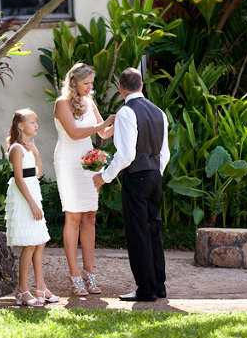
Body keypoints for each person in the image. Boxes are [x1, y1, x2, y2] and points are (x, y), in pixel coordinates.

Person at [93, 67, 170, 302]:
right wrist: (156, 173)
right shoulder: (159, 112)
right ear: (142, 85)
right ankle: (158, 286)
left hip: (136, 177)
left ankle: (146, 290)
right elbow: (164, 152)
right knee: (153, 230)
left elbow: (126, 155)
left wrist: (104, 177)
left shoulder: (127, 112)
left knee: (138, 234)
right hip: (155, 176)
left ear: (120, 88)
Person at [53, 62, 115, 296]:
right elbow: (75, 132)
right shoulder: (61, 104)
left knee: (90, 215)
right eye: (86, 83)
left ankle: (90, 272)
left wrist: (122, 123)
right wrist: (104, 123)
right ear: (73, 82)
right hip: (68, 162)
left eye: (91, 83)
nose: (90, 87)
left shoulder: (90, 102)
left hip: (88, 161)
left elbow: (103, 133)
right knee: (74, 216)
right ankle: (74, 274)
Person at [4, 109, 59, 307]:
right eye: (32, 122)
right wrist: (33, 204)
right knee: (30, 243)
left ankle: (41, 287)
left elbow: (38, 173)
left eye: (36, 122)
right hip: (24, 197)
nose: (36, 125)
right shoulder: (17, 149)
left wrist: (36, 153)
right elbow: (19, 179)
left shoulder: (28, 148)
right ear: (20, 126)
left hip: (33, 193)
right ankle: (22, 290)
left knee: (40, 241)